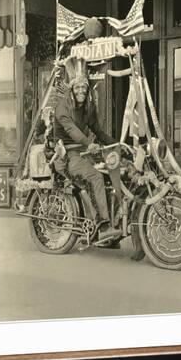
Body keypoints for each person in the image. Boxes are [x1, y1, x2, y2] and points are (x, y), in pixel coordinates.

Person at [54, 70, 122, 241]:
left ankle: (106, 227)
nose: (81, 91)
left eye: (84, 87)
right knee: (96, 177)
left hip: (83, 152)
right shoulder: (62, 107)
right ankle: (103, 226)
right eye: (77, 87)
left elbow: (98, 131)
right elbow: (71, 130)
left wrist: (117, 144)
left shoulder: (87, 108)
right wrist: (88, 143)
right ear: (71, 89)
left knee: (108, 177)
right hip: (67, 155)